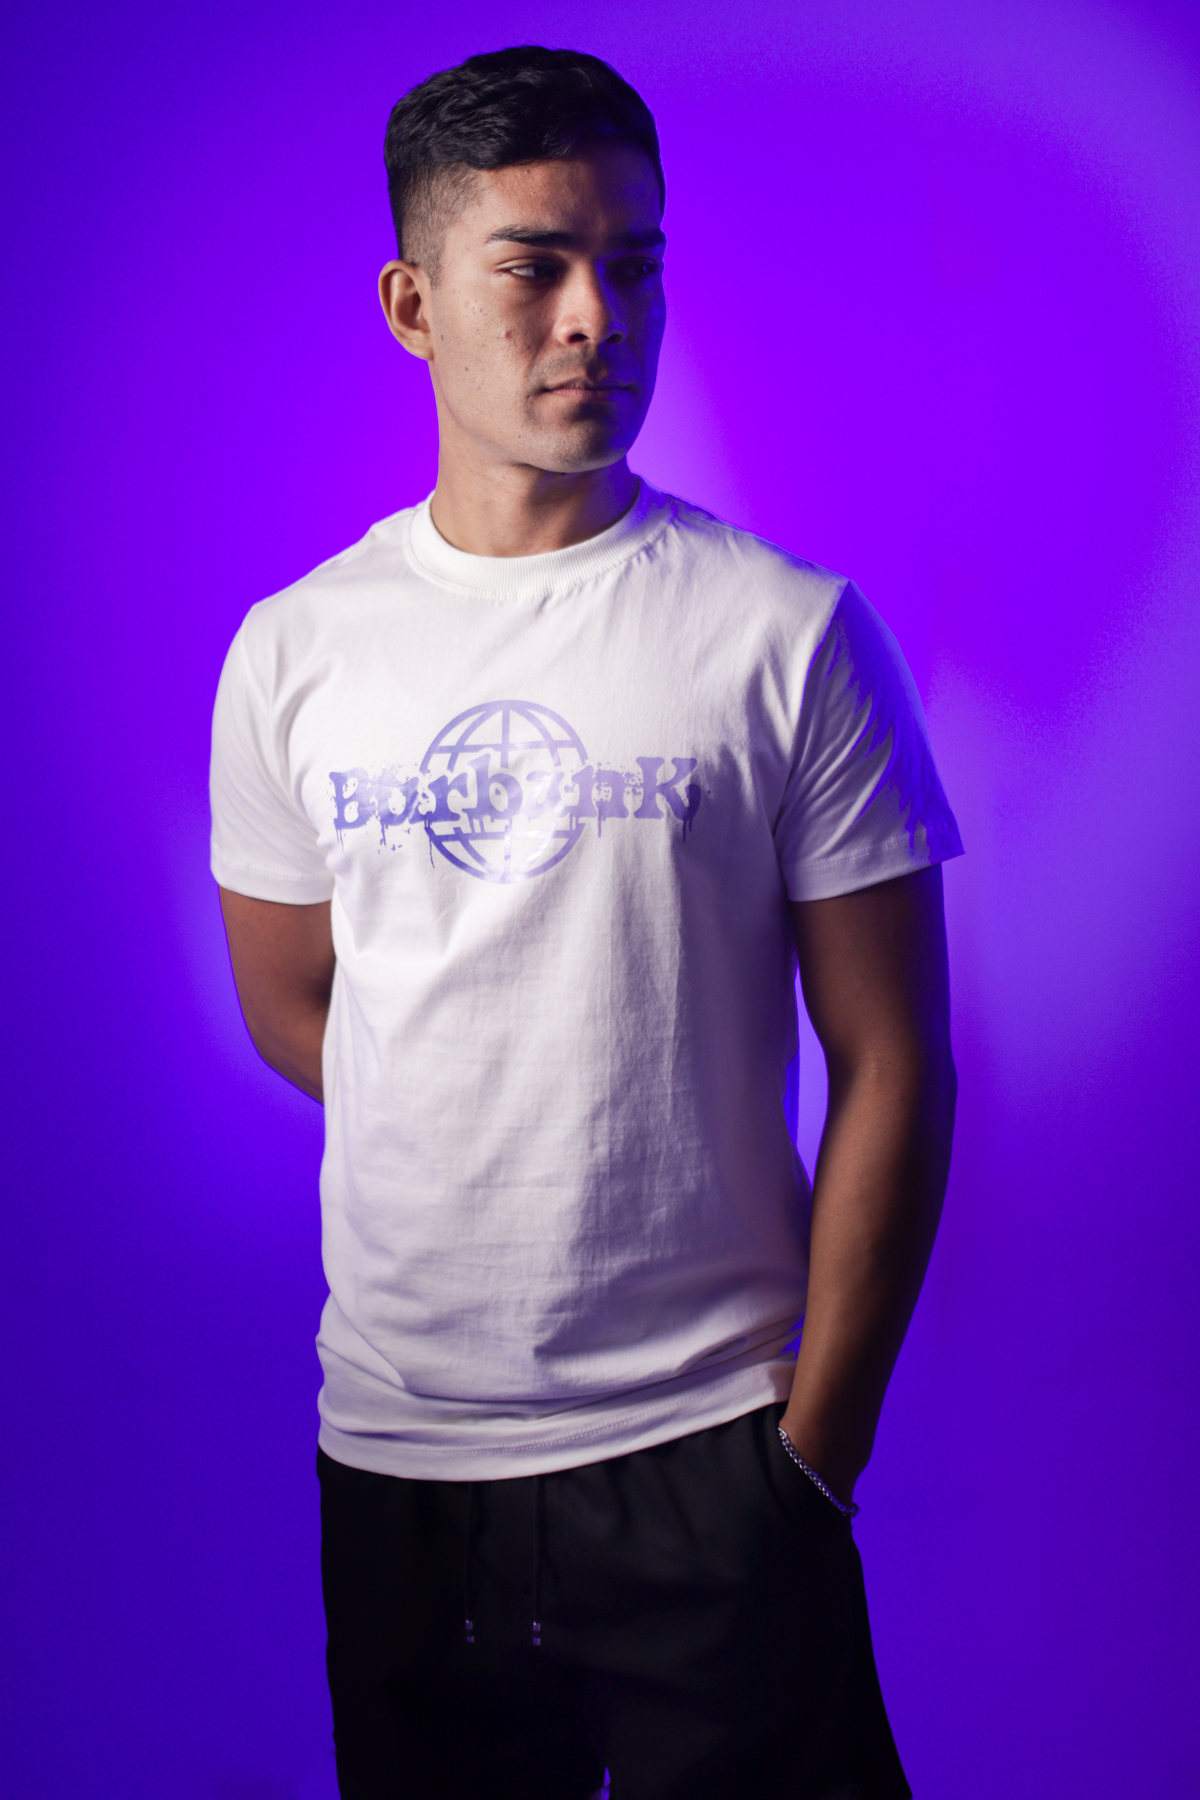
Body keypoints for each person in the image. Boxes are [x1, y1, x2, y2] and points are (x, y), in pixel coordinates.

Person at [210, 44, 961, 1800]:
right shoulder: (296, 653)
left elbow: (895, 1060)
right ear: (413, 305)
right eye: (534, 265)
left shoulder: (786, 634)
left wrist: (814, 1457)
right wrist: (497, 1110)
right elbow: (299, 1006)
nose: (595, 319)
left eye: (633, 264)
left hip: (715, 1441)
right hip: (404, 1466)